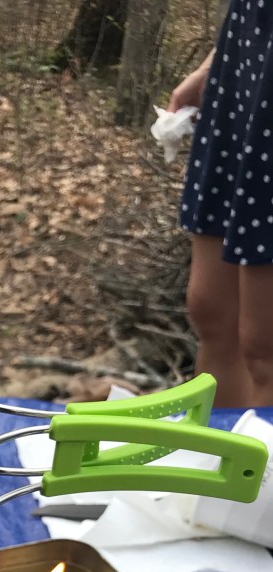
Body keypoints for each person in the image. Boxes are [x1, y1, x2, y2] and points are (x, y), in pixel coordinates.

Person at [169, 1, 273, 408]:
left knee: (266, 345)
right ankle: (209, 447)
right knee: (213, 313)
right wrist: (213, 63)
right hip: (247, 58)